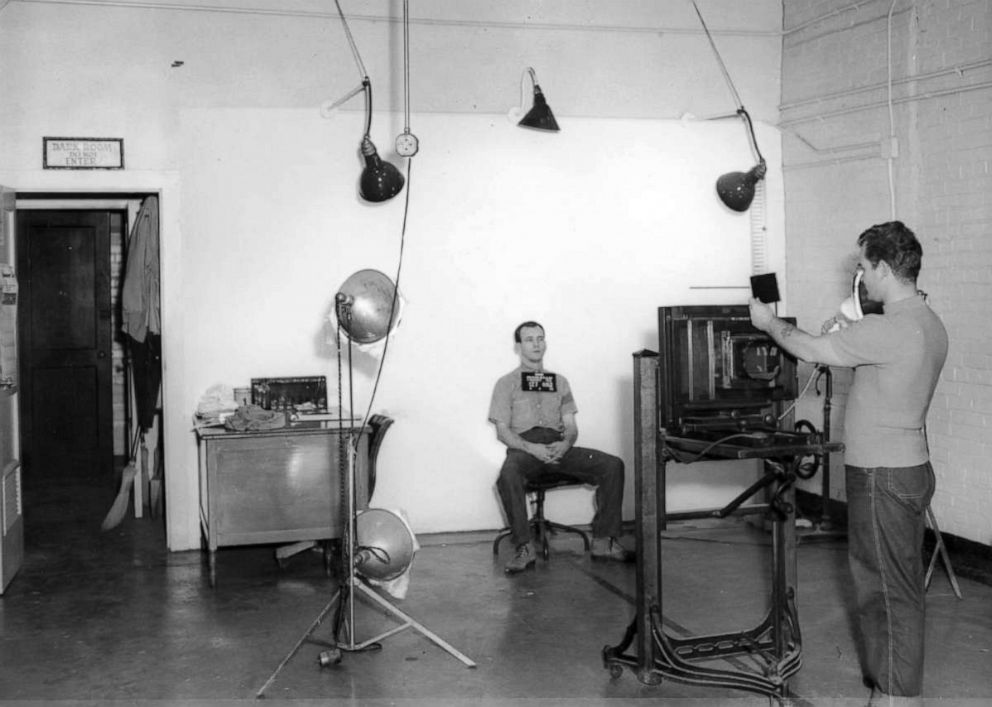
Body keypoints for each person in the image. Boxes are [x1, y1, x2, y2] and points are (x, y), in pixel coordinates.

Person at [748, 221, 947, 703]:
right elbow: (877, 354)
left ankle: (898, 697)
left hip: (882, 475)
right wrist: (853, 331)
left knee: (884, 589)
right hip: (907, 467)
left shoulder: (887, 328)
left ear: (881, 268)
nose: (860, 274)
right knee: (892, 583)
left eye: (862, 266)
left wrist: (768, 323)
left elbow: (810, 348)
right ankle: (892, 687)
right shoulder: (923, 321)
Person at [489, 321, 634, 574]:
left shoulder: (560, 382)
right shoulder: (505, 383)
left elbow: (571, 425)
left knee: (612, 465)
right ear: (518, 346)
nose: (536, 344)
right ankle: (524, 547)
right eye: (529, 339)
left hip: (558, 447)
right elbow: (503, 432)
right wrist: (532, 449)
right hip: (525, 450)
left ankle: (603, 541)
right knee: (508, 474)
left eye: (540, 338)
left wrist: (566, 443)